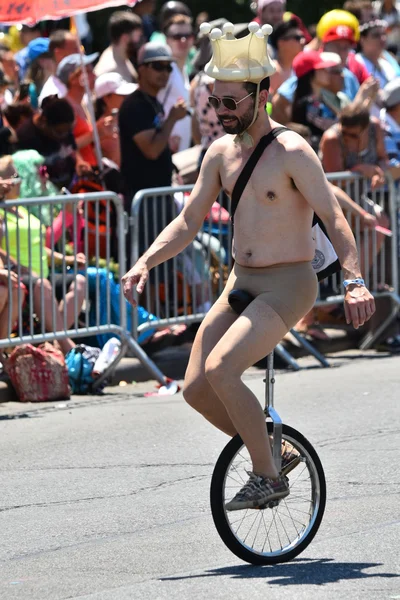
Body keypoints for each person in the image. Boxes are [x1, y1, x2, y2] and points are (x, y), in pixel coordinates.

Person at [122, 21, 375, 511]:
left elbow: (335, 219)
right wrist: (145, 262)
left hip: (288, 285)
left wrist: (355, 280)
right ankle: (273, 449)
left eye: (230, 102)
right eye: (215, 102)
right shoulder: (219, 153)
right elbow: (188, 220)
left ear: (261, 95)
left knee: (223, 368)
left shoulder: (293, 151)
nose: (220, 112)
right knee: (196, 388)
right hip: (241, 281)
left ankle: (267, 477)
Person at [0, 156, 85, 354]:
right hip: (19, 273)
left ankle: (56, 342)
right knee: (41, 284)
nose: (19, 181)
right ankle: (66, 346)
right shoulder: (1, 213)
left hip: (41, 272)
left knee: (79, 281)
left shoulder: (24, 210)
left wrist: (67, 259)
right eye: (13, 176)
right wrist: (15, 266)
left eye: (19, 176)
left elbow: (40, 246)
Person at [118, 42, 187, 211]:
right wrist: (171, 119)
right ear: (141, 68)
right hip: (144, 202)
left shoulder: (153, 102)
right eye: (158, 67)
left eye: (168, 68)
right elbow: (152, 150)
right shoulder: (135, 105)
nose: (164, 73)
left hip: (160, 196)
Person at [16, 95, 90, 189]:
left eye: (69, 130)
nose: (65, 135)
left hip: (70, 190)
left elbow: (72, 148)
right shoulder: (25, 137)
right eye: (60, 132)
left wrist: (79, 162)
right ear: (44, 121)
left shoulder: (64, 127)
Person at [57, 52, 109, 169]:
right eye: (88, 71)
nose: (94, 75)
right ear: (73, 78)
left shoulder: (84, 104)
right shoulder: (64, 108)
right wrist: (95, 133)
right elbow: (64, 149)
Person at [320, 102, 388, 189]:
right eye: (344, 133)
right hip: (337, 198)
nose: (346, 138)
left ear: (366, 128)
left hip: (367, 195)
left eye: (353, 135)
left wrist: (378, 173)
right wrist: (359, 170)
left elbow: (383, 158)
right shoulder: (332, 139)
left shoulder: (375, 128)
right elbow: (335, 180)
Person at [291, 51, 349, 151]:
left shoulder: (320, 98)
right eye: (322, 69)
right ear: (310, 74)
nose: (327, 71)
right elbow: (337, 127)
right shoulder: (309, 103)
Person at [158, 14, 195, 152]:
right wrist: (165, 136)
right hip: (167, 147)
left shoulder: (183, 69)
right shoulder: (164, 72)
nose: (183, 40)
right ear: (167, 40)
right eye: (177, 36)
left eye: (188, 35)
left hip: (182, 148)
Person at [94, 72, 137, 167]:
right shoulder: (101, 128)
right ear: (106, 98)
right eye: (123, 95)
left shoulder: (128, 118)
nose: (128, 98)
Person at [94, 12, 143, 83]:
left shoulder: (122, 58)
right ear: (125, 38)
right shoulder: (108, 71)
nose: (139, 41)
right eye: (138, 36)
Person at [38, 30, 79, 106]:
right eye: (75, 49)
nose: (81, 53)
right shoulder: (52, 94)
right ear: (58, 53)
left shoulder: (80, 85)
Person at [268, 18, 305, 95]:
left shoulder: (298, 70)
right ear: (281, 42)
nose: (303, 41)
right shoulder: (272, 71)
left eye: (302, 37)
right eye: (297, 38)